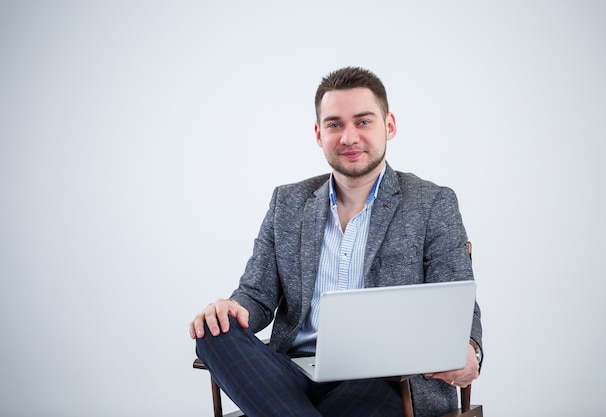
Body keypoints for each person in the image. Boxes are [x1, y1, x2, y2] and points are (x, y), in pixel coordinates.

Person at [189, 66, 483, 417]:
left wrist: (469, 348)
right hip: (292, 375)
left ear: (389, 125)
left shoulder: (431, 202)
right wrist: (233, 309)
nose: (348, 137)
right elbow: (255, 295)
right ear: (318, 133)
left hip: (384, 379)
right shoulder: (289, 202)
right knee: (211, 332)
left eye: (363, 122)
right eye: (334, 125)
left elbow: (456, 296)